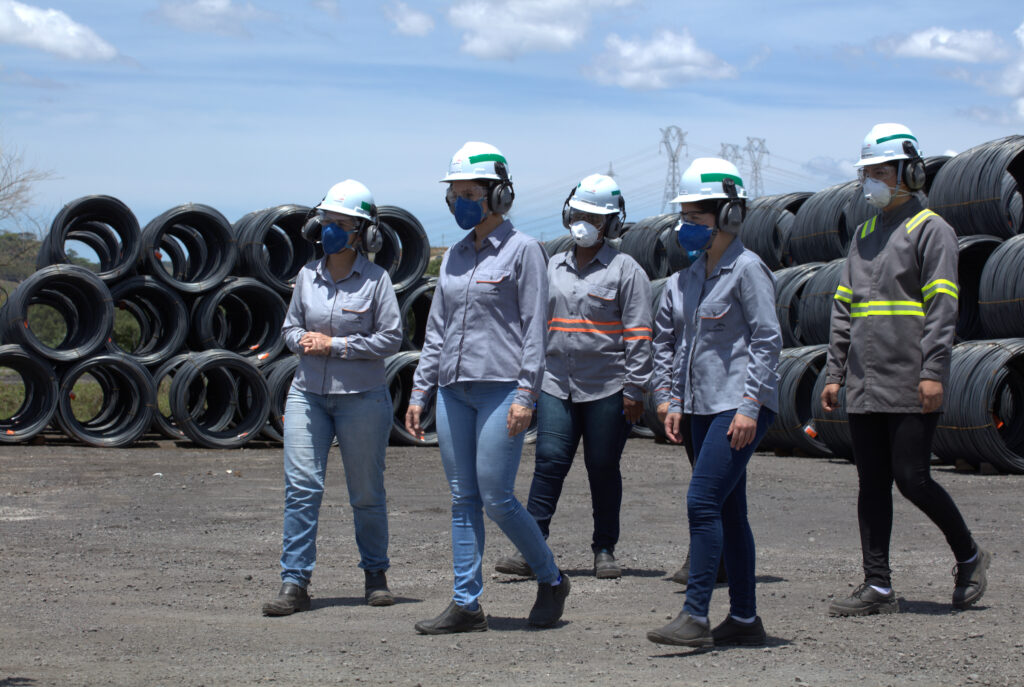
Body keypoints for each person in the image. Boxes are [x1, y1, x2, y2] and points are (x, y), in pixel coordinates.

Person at [821, 123, 990, 617]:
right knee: (871, 481)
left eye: (879, 171)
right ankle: (877, 586)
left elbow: (942, 306)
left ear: (909, 173)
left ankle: (971, 556)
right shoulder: (864, 234)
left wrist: (933, 370)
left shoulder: (931, 229)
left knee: (912, 478)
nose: (871, 180)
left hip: (911, 376)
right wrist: (834, 373)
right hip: (863, 379)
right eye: (866, 172)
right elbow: (843, 308)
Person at [405, 142, 569, 634]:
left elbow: (536, 327)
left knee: (496, 494)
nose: (459, 202)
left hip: (502, 390)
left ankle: (551, 578)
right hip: (455, 390)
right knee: (462, 497)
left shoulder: (525, 252)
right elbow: (436, 329)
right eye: (454, 194)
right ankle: (466, 603)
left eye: (469, 193)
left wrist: (526, 394)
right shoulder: (454, 256)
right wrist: (420, 391)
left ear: (498, 196)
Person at [646, 158, 781, 648]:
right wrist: (668, 400)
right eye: (682, 218)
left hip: (739, 406)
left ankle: (695, 614)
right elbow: (667, 343)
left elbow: (768, 340)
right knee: (729, 512)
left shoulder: (748, 270)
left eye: (696, 219)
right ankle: (745, 620)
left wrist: (749, 406)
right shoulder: (684, 280)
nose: (685, 228)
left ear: (727, 217)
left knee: (702, 501)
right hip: (699, 408)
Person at [493, 174, 652, 581]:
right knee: (548, 463)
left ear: (611, 225)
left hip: (608, 387)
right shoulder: (553, 265)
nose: (583, 223)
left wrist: (635, 389)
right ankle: (532, 549)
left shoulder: (626, 271)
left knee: (602, 466)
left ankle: (604, 549)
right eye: (579, 214)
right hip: (556, 384)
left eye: (594, 218)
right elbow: (536, 324)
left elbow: (638, 334)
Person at [262, 179, 403, 616]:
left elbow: (391, 338)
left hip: (363, 398)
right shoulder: (306, 276)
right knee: (302, 488)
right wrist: (302, 337)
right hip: (308, 396)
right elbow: (289, 328)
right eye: (326, 222)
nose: (330, 231)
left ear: (363, 233)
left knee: (365, 492)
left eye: (341, 224)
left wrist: (336, 346)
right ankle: (294, 582)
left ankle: (375, 575)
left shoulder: (377, 281)